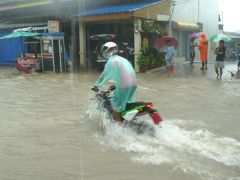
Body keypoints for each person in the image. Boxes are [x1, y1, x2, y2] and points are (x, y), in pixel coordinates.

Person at [92, 42, 137, 123]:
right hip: (133, 84)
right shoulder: (123, 59)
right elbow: (124, 73)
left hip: (124, 85)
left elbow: (104, 76)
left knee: (115, 104)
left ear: (106, 51)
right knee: (126, 104)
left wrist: (96, 85)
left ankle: (118, 124)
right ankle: (129, 121)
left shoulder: (111, 61)